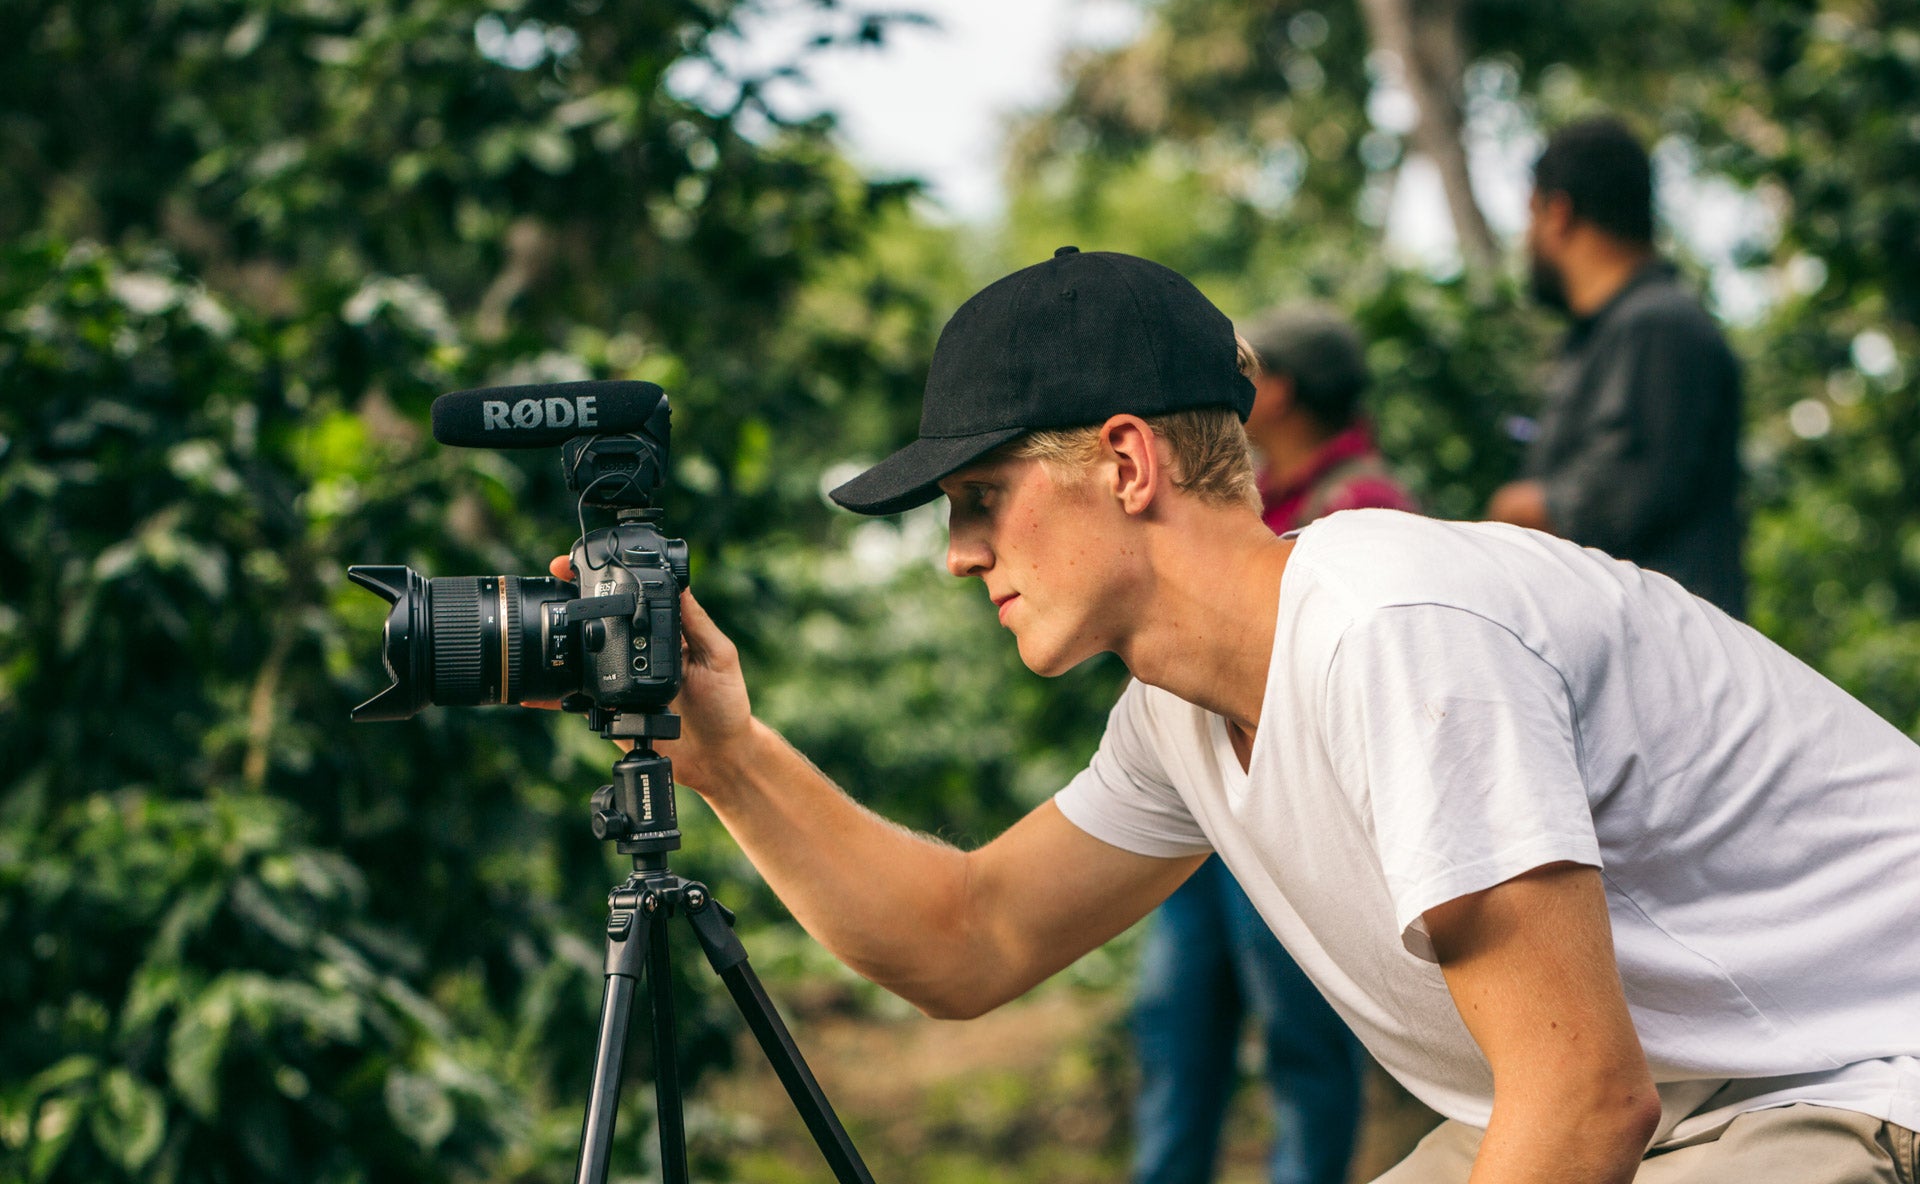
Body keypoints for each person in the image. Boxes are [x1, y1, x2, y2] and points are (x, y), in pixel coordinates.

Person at [559, 246, 1920, 1182]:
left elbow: (1582, 1105)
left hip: (1852, 1072)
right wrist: (721, 747)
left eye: (978, 499)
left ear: (1126, 460)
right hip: (1683, 1100)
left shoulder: (1392, 626)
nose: (959, 553)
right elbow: (966, 940)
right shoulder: (1181, 717)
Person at [1130, 304, 1412, 1184]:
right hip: (1203, 815)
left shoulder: (1362, 503)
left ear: (1277, 390)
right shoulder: (1245, 492)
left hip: (1290, 817)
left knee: (1300, 1040)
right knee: (1176, 1025)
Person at [1486, 116, 1747, 617]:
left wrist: (1516, 510)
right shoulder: (1605, 335)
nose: (1527, 238)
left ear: (1557, 212)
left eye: (1530, 217)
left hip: (1665, 668)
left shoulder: (1657, 327)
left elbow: (1614, 501)